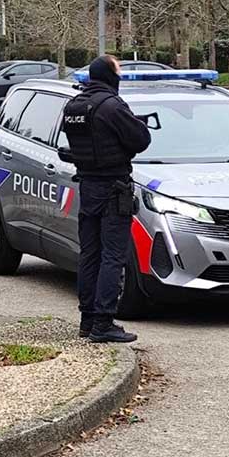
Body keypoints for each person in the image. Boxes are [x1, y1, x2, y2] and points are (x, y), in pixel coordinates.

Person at [59, 55, 152, 342]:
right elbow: (141, 140)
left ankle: (87, 320)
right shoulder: (112, 106)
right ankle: (103, 323)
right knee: (113, 256)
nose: (121, 75)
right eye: (119, 70)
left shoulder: (73, 106)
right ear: (110, 75)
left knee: (90, 254)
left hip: (87, 186)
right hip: (113, 188)